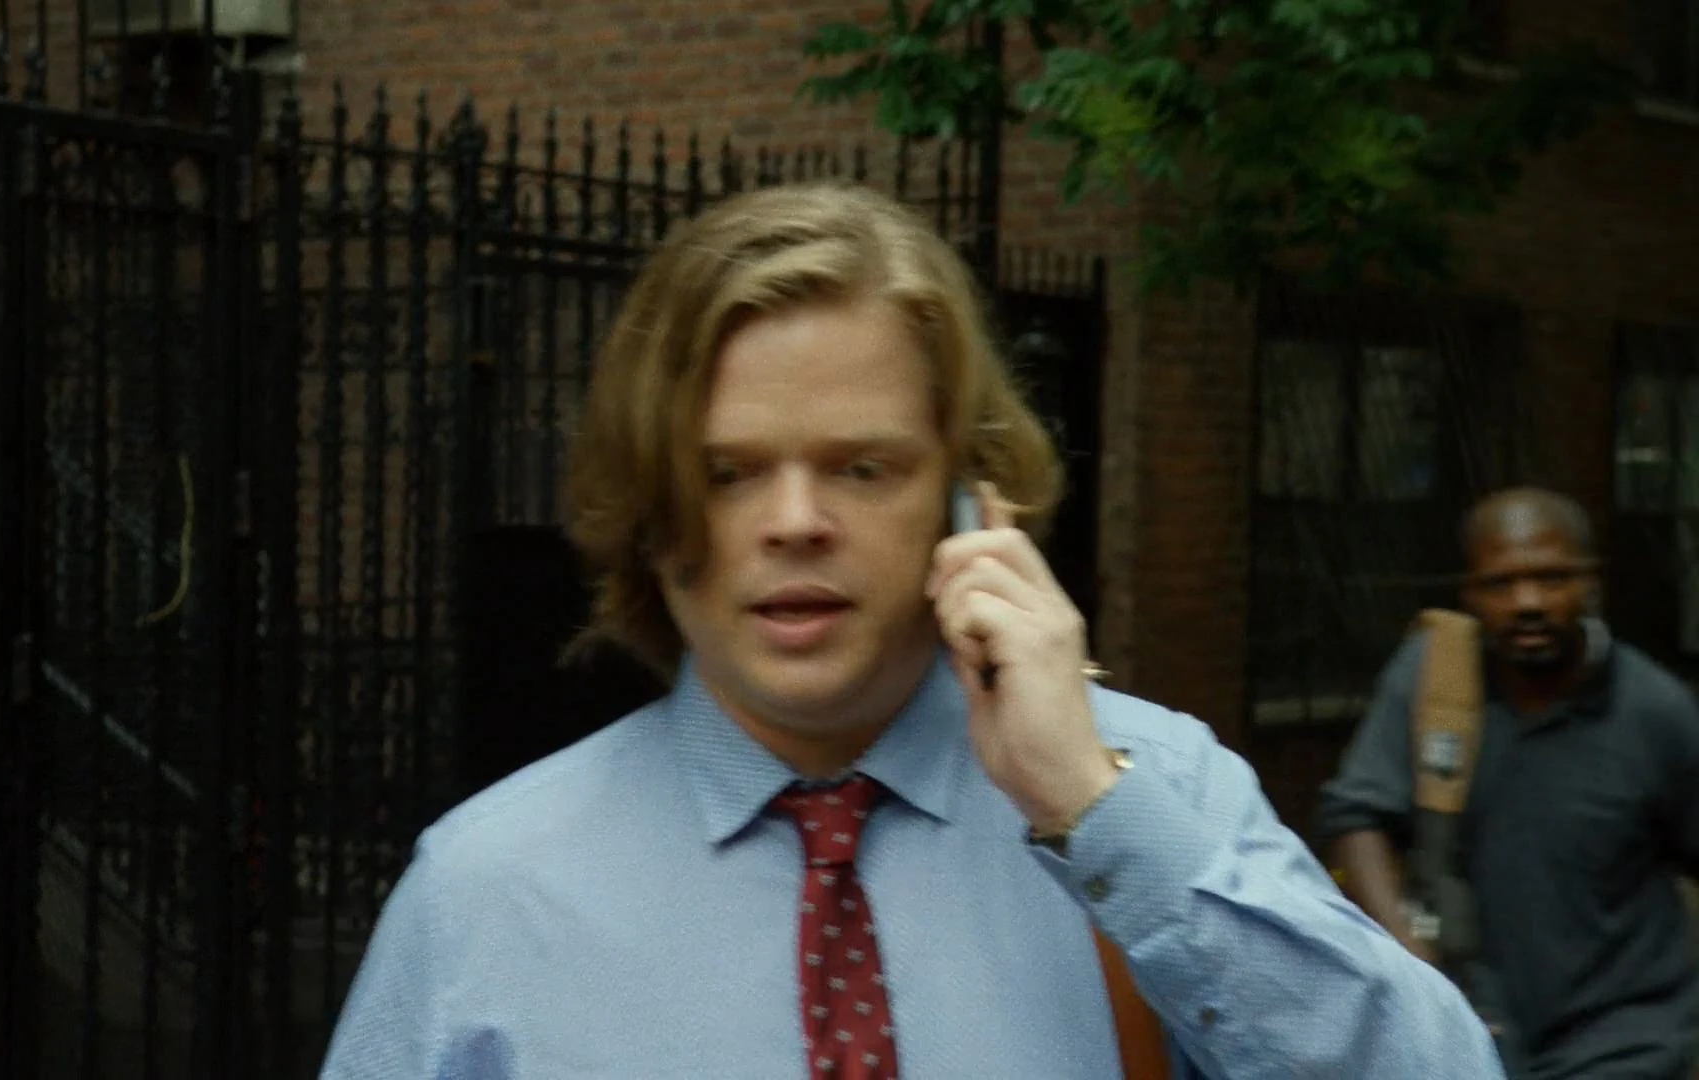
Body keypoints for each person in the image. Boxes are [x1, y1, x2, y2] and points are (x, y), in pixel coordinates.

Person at [320, 182, 1501, 1078]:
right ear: (652, 508)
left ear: (970, 500)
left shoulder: (1151, 792)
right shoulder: (484, 893)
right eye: (728, 472)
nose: (795, 522)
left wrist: (1095, 811)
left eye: (863, 467)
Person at [1317, 487, 1699, 1079]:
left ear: (1591, 583)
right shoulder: (1435, 683)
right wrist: (1413, 964)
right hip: (1474, 1033)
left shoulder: (1654, 713)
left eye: (1551, 579)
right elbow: (1357, 817)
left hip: (1624, 1040)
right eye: (1500, 584)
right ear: (1469, 595)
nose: (1527, 603)